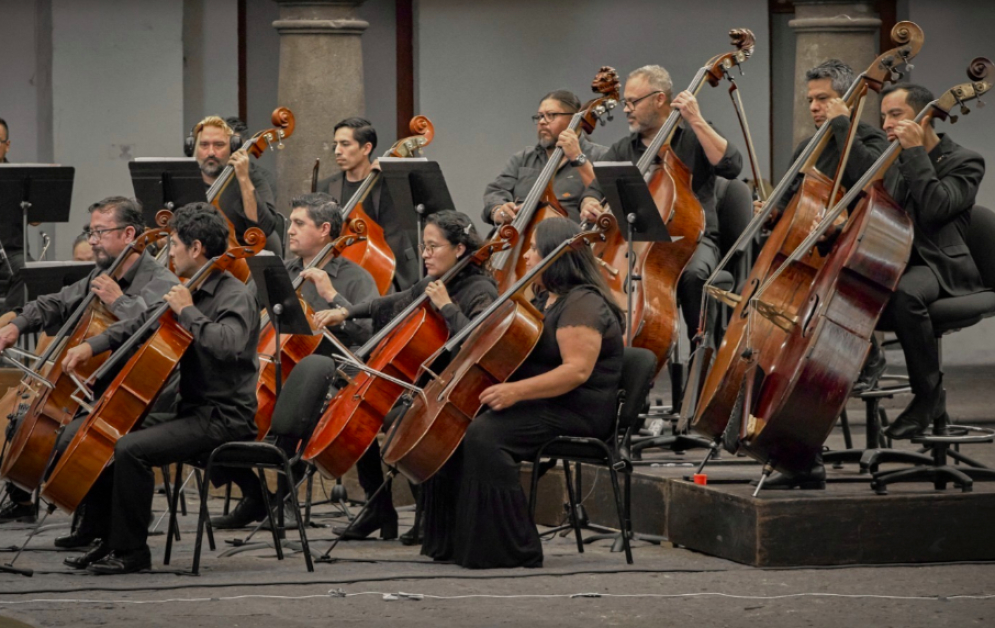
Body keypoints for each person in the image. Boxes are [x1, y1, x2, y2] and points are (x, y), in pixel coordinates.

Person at [59, 203, 261, 574]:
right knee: (108, 431)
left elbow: (229, 345)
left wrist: (188, 312)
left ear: (196, 248)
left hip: (224, 417)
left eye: (174, 244)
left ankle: (133, 552)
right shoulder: (190, 288)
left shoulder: (233, 295)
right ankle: (108, 540)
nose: (169, 252)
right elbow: (140, 323)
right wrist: (92, 345)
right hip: (193, 411)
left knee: (131, 449)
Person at [416, 217, 624, 568]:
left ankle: (513, 547)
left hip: (579, 410)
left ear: (555, 257)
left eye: (533, 248)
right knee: (459, 424)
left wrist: (514, 392)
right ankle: (453, 540)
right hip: (546, 401)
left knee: (486, 434)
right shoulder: (547, 298)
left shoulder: (583, 304)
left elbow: (576, 371)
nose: (526, 256)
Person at [313, 210, 498, 543]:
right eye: (423, 246)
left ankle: (428, 513)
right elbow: (395, 301)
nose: (425, 254)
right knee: (362, 416)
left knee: (400, 424)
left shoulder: (479, 290)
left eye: (433, 246)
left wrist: (446, 307)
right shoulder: (433, 283)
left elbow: (477, 348)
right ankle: (378, 506)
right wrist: (345, 310)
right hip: (426, 387)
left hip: (458, 396)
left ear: (459, 249)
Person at [0, 197, 178, 528]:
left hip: (140, 392)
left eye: (99, 232)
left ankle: (99, 523)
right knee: (29, 422)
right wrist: (16, 325)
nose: (92, 240)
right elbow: (58, 301)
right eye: (90, 232)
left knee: (67, 436)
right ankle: (89, 523)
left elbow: (155, 329)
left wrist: (118, 300)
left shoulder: (161, 280)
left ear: (128, 234)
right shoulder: (103, 271)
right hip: (97, 387)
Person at [210, 192, 379, 530]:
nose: (290, 231)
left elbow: (371, 336)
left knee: (302, 394)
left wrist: (334, 299)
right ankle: (256, 495)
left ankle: (286, 501)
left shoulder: (354, 278)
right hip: (270, 369)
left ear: (325, 230)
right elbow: (243, 316)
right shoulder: (278, 271)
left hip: (333, 375)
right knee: (209, 410)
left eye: (300, 224)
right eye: (292, 224)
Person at [580, 64, 742, 343]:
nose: (627, 109)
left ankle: (701, 354)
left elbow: (731, 165)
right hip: (639, 239)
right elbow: (596, 187)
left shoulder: (693, 135)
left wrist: (696, 120)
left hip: (692, 240)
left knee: (693, 277)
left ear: (659, 99)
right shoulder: (624, 148)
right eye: (625, 102)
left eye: (633, 101)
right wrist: (590, 201)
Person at [877, 84, 986, 439]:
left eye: (896, 114)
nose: (887, 125)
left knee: (906, 293)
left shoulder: (965, 160)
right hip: (899, 259)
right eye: (884, 117)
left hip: (940, 265)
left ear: (925, 118)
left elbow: (937, 208)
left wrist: (914, 154)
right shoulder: (895, 161)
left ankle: (927, 397)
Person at [317, 117, 420, 291]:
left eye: (345, 144)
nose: (337, 151)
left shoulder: (388, 183)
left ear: (366, 148)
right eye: (336, 144)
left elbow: (409, 216)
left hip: (391, 272)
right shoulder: (326, 187)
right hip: (338, 272)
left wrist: (394, 175)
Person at [483, 90, 609, 225]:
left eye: (551, 115)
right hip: (520, 239)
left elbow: (608, 195)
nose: (542, 122)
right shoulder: (523, 159)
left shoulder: (601, 156)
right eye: (539, 117)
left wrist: (577, 156)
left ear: (574, 118)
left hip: (571, 241)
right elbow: (496, 191)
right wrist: (499, 211)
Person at [192, 116, 281, 256]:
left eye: (219, 145)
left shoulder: (253, 178)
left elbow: (263, 229)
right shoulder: (185, 178)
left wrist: (243, 179)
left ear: (233, 148)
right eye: (204, 145)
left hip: (240, 262)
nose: (211, 152)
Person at [0, 116, 27, 311]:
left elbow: (36, 219)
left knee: (26, 269)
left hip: (12, 252)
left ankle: (3, 327)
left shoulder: (20, 177)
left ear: (7, 145)